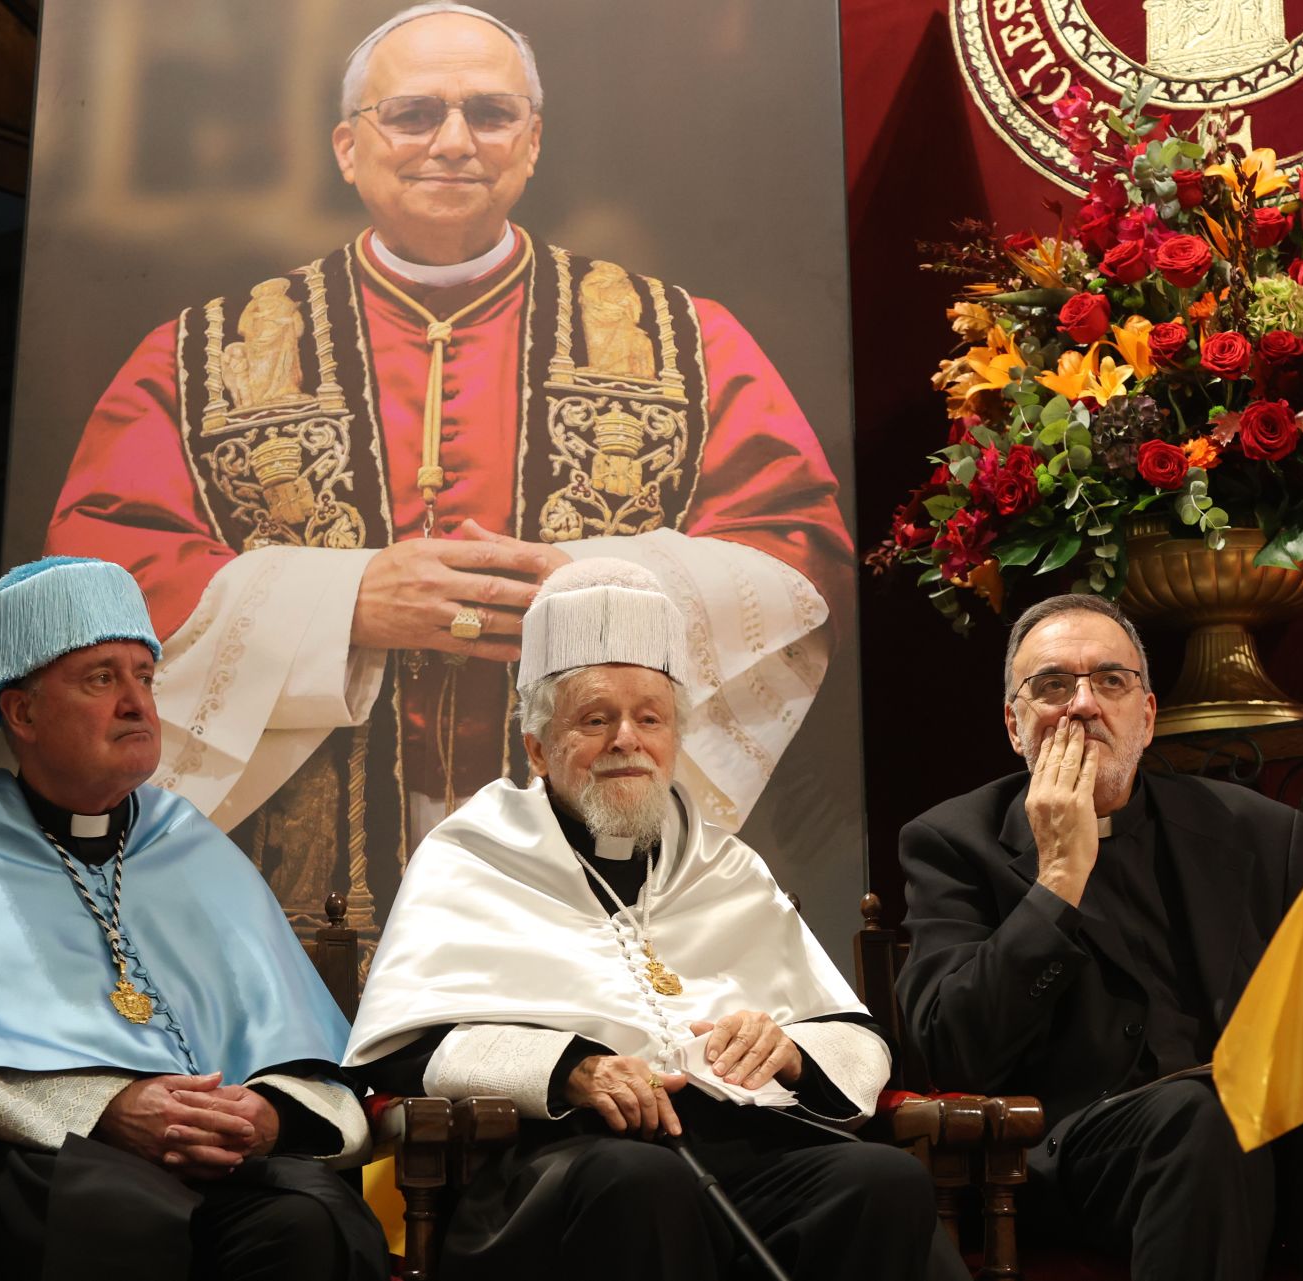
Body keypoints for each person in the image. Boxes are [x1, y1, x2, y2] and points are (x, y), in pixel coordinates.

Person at [43, 2, 851, 954]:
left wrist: (598, 592)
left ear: (534, 141)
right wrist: (341, 604)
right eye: (415, 113)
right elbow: (92, 582)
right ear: (348, 146)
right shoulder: (203, 355)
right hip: (297, 877)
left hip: (586, 848)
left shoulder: (685, 341)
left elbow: (798, 557)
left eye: (491, 113)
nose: (455, 142)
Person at [344, 558, 963, 1281]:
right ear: (538, 746)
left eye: (650, 718)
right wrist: (571, 1068)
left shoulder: (723, 866)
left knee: (881, 1180)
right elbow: (403, 1049)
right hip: (556, 1164)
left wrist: (787, 1047)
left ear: (674, 738)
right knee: (642, 1181)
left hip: (742, 1154)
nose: (626, 740)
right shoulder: (473, 854)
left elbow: (850, 1034)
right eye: (595, 718)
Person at [0, 556, 387, 1281]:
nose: (137, 704)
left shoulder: (188, 842)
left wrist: (264, 1115)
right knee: (119, 1218)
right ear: (21, 712)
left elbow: (304, 1056)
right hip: (54, 1164)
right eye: (101, 678)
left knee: (315, 1218)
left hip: (222, 1165)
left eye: (144, 676)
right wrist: (107, 1105)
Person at [895, 593, 1303, 1281]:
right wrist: (1058, 877)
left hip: (1242, 1133)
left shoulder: (1260, 834)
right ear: (1014, 723)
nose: (1083, 704)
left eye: (1111, 681)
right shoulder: (951, 842)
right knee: (1202, 1117)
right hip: (1058, 1152)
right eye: (1053, 685)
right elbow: (954, 1046)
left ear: (1146, 717)